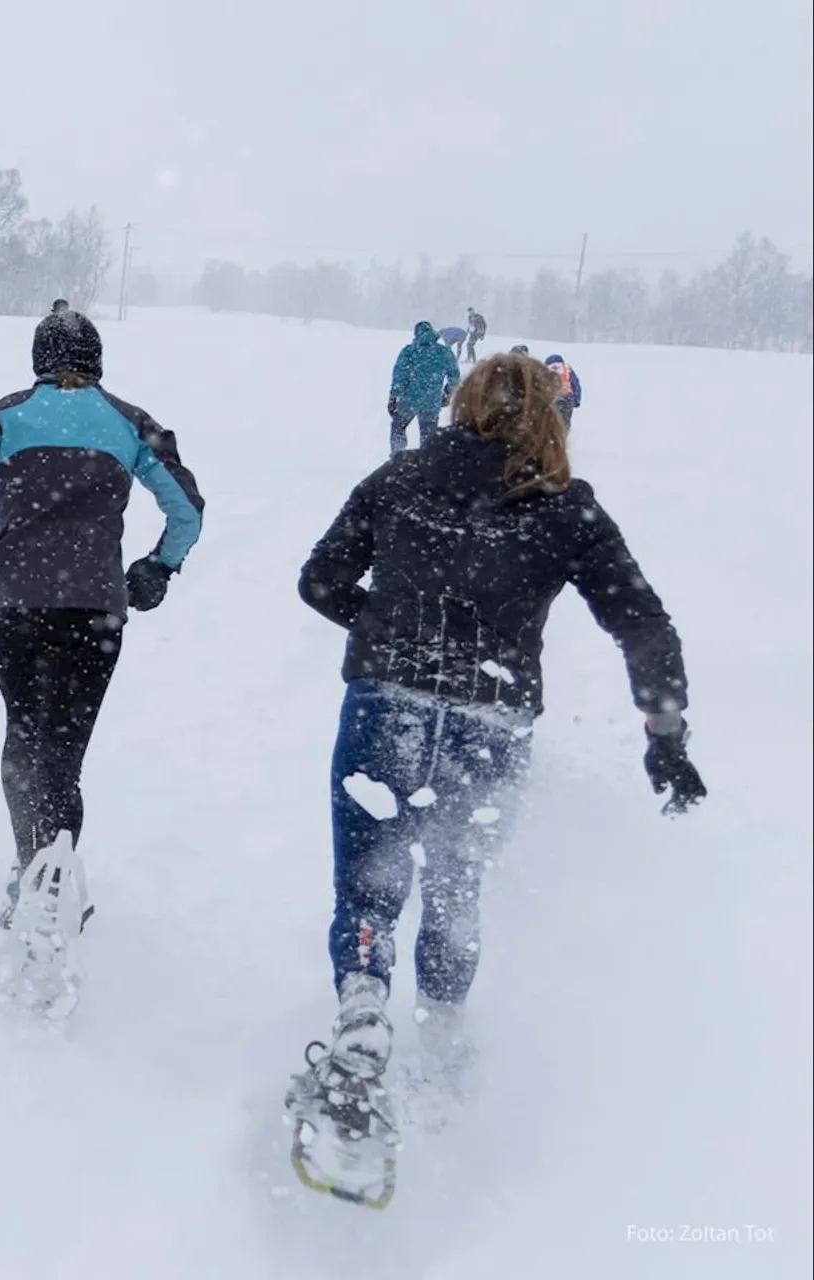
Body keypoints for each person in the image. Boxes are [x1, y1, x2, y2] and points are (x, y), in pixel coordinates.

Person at [289, 353, 705, 1170]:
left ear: (462, 403)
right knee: (454, 886)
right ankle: (443, 1049)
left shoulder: (399, 478)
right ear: (550, 416)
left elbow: (319, 579)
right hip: (491, 719)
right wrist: (666, 733)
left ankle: (365, 1013)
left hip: (387, 707)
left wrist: (383, 632)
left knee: (370, 884)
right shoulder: (565, 505)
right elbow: (642, 622)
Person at [0, 299, 204, 1011]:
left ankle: (31, 873)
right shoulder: (131, 423)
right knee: (65, 747)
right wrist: (159, 567)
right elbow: (189, 509)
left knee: (24, 731)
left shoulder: (6, 415)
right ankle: (55, 882)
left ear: (40, 362)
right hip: (93, 606)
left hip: (11, 602)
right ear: (97, 360)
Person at [386, 321, 460, 455]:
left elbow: (399, 376)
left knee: (398, 427)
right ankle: (427, 464)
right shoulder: (444, 352)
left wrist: (393, 398)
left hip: (407, 401)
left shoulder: (408, 351)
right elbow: (454, 376)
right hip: (431, 402)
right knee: (429, 438)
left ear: (416, 334)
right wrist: (448, 393)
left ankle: (397, 457)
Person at [544, 352, 583, 429]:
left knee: (551, 420)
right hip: (567, 398)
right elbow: (575, 384)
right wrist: (577, 400)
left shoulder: (546, 369)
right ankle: (564, 435)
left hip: (552, 400)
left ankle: (553, 434)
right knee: (565, 420)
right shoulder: (567, 368)